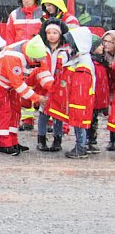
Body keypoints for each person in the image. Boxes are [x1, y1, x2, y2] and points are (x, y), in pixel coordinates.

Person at [0, 35, 48, 156]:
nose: (37, 64)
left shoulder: (34, 51)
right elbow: (19, 85)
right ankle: (4, 144)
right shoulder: (13, 58)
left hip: (10, 81)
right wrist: (37, 98)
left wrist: (52, 88)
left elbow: (42, 72)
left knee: (15, 109)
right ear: (30, 56)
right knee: (4, 110)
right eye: (35, 61)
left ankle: (13, 141)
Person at [45, 28, 95, 158]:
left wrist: (73, 100)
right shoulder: (81, 57)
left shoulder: (83, 62)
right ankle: (81, 146)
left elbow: (80, 85)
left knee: (80, 123)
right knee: (79, 123)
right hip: (78, 98)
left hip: (79, 100)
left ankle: (80, 147)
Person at [6, 0, 44, 131]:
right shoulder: (14, 15)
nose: (27, 1)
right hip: (20, 57)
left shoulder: (42, 14)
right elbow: (9, 37)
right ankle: (27, 120)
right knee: (23, 88)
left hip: (38, 57)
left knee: (41, 88)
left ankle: (47, 121)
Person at [33, 19, 68, 152]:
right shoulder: (42, 49)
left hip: (59, 86)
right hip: (44, 86)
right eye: (49, 33)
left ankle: (57, 140)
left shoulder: (65, 50)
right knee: (43, 113)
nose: (51, 35)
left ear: (60, 34)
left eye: (55, 33)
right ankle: (41, 140)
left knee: (57, 113)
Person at [88, 35, 108, 154]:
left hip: (99, 98)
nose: (103, 46)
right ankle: (88, 141)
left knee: (94, 120)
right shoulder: (93, 62)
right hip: (93, 97)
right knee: (90, 120)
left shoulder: (101, 61)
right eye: (100, 45)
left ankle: (92, 141)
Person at [101, 30, 115, 151]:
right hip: (110, 87)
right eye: (104, 41)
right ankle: (112, 140)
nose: (106, 44)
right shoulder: (104, 56)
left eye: (110, 42)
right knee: (112, 115)